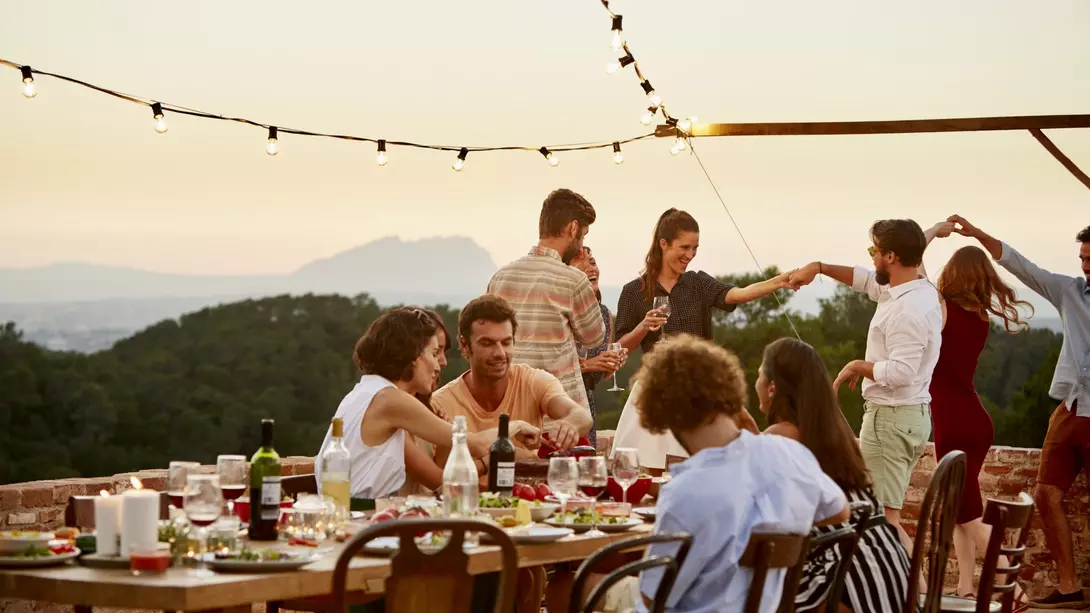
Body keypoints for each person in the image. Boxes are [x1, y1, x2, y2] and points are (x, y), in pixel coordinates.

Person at [631, 334, 850, 613]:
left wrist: (735, 539)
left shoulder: (685, 491)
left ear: (663, 412)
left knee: (587, 582)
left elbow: (651, 598)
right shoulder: (790, 454)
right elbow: (840, 510)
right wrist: (775, 528)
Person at [948, 215, 1090, 610]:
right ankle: (1069, 587)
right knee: (1046, 493)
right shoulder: (1069, 291)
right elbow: (1021, 265)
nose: (1085, 266)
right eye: (1082, 258)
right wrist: (978, 234)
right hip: (1069, 408)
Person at [788, 219, 943, 553]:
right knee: (885, 515)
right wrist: (818, 267)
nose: (871, 257)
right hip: (909, 416)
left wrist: (858, 365)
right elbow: (866, 280)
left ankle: (912, 585)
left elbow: (902, 372)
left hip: (890, 419)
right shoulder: (917, 288)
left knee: (884, 520)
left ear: (891, 256)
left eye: (874, 250)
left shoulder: (907, 309)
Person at [611, 208, 798, 474]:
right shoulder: (633, 292)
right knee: (651, 470)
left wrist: (778, 282)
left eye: (695, 248)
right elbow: (620, 348)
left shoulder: (697, 283)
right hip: (656, 390)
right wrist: (643, 327)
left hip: (698, 391)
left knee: (705, 465)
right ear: (664, 244)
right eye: (684, 247)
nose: (690, 254)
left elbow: (738, 294)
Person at [315, 307, 540, 507]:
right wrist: (517, 426)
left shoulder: (364, 392)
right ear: (413, 355)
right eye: (433, 353)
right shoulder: (391, 400)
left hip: (352, 514)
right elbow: (476, 443)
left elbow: (442, 477)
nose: (438, 364)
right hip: (363, 520)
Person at [752, 338, 909, 613]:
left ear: (772, 387)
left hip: (847, 580)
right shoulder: (837, 434)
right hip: (885, 569)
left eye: (758, 375)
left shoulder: (780, 436)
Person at [924, 242, 1033, 599]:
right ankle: (966, 588)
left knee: (968, 513)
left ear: (952, 272)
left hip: (953, 421)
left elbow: (915, 275)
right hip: (976, 421)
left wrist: (931, 235)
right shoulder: (981, 316)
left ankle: (1014, 589)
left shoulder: (942, 307)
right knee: (961, 508)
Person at [432, 294, 593, 464]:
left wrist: (570, 425)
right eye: (487, 343)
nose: (500, 353)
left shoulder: (532, 381)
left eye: (506, 343)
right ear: (465, 346)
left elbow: (582, 416)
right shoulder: (441, 403)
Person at [487, 188, 606, 411]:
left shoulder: (500, 277)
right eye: (583, 235)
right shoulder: (574, 280)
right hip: (559, 413)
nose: (581, 245)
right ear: (573, 228)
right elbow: (595, 337)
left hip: (510, 408)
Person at [571, 245, 625, 447]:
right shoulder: (561, 311)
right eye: (582, 264)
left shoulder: (603, 314)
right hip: (560, 405)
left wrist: (610, 365)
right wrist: (589, 364)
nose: (591, 268)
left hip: (586, 406)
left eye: (592, 262)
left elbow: (597, 378)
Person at [401, 308, 452, 496]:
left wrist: (445, 441)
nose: (443, 362)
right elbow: (437, 482)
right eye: (436, 352)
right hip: (392, 512)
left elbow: (438, 485)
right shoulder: (394, 406)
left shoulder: (427, 406)